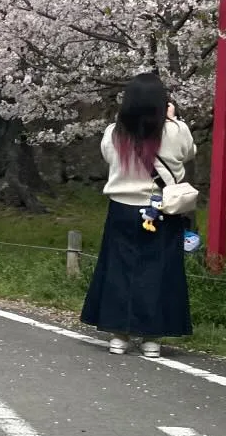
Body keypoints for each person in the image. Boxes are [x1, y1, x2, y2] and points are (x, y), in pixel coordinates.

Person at [81, 72, 196, 357]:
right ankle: (151, 338)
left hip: (122, 208)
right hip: (161, 210)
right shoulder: (175, 130)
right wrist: (172, 119)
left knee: (119, 269)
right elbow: (189, 153)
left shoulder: (114, 132)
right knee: (159, 272)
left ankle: (119, 335)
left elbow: (109, 158)